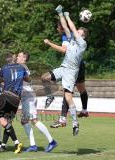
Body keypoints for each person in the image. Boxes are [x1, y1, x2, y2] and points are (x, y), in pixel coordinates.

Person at [42, 5, 88, 136]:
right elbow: (67, 28)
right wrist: (61, 14)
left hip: (71, 72)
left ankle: (75, 123)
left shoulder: (82, 44)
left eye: (79, 32)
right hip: (63, 67)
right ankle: (50, 96)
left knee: (68, 97)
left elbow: (72, 27)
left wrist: (67, 16)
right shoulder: (73, 39)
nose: (76, 32)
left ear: (83, 36)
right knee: (44, 77)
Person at [50, 22, 89, 128]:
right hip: (79, 65)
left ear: (61, 28)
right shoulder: (72, 34)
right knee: (80, 89)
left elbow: (64, 50)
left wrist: (49, 43)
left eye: (58, 27)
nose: (57, 29)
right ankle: (84, 110)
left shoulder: (66, 36)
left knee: (68, 92)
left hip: (73, 67)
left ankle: (63, 119)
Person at [16, 51, 57, 152]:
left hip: (28, 98)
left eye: (19, 56)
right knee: (24, 121)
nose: (17, 57)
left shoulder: (22, 67)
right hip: (26, 97)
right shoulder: (21, 67)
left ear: (24, 58)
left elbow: (22, 80)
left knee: (34, 120)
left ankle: (51, 141)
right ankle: (33, 145)